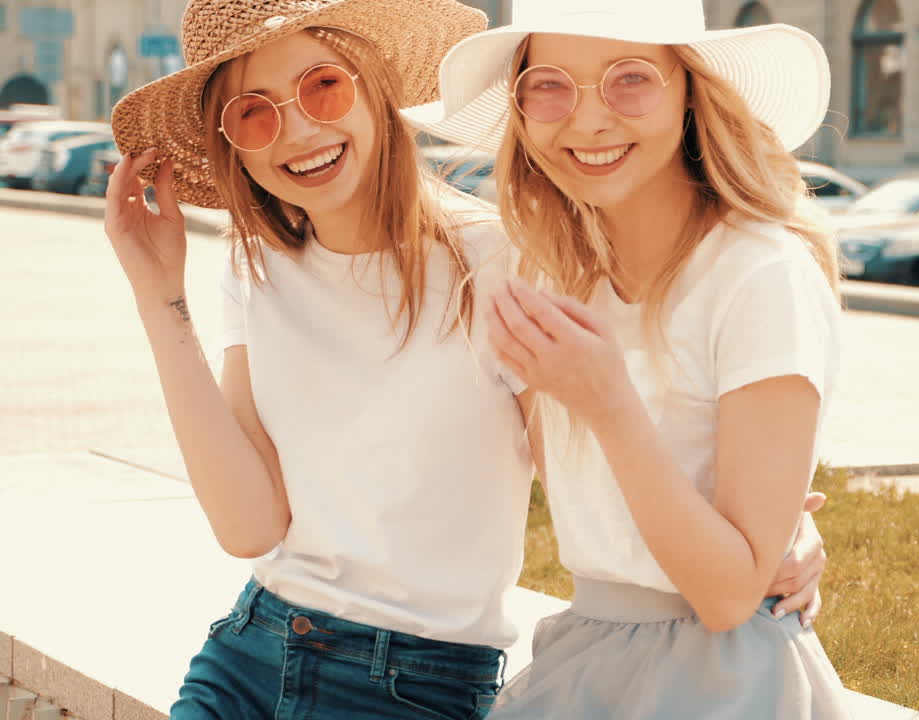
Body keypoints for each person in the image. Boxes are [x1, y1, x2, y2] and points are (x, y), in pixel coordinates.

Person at [105, 0, 830, 717]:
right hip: (249, 649)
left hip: (412, 679)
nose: (297, 129)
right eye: (253, 114)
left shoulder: (503, 262)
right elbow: (250, 528)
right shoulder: (255, 269)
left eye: (323, 85)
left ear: (375, 85)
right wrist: (157, 294)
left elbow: (596, 471)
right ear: (233, 144)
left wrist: (772, 536)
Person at [411, 0, 852, 717]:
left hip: (723, 680)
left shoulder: (758, 273)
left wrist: (608, 404)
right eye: (549, 84)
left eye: (631, 78)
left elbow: (728, 596)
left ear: (690, 92)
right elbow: (600, 518)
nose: (587, 120)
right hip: (587, 658)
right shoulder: (544, 276)